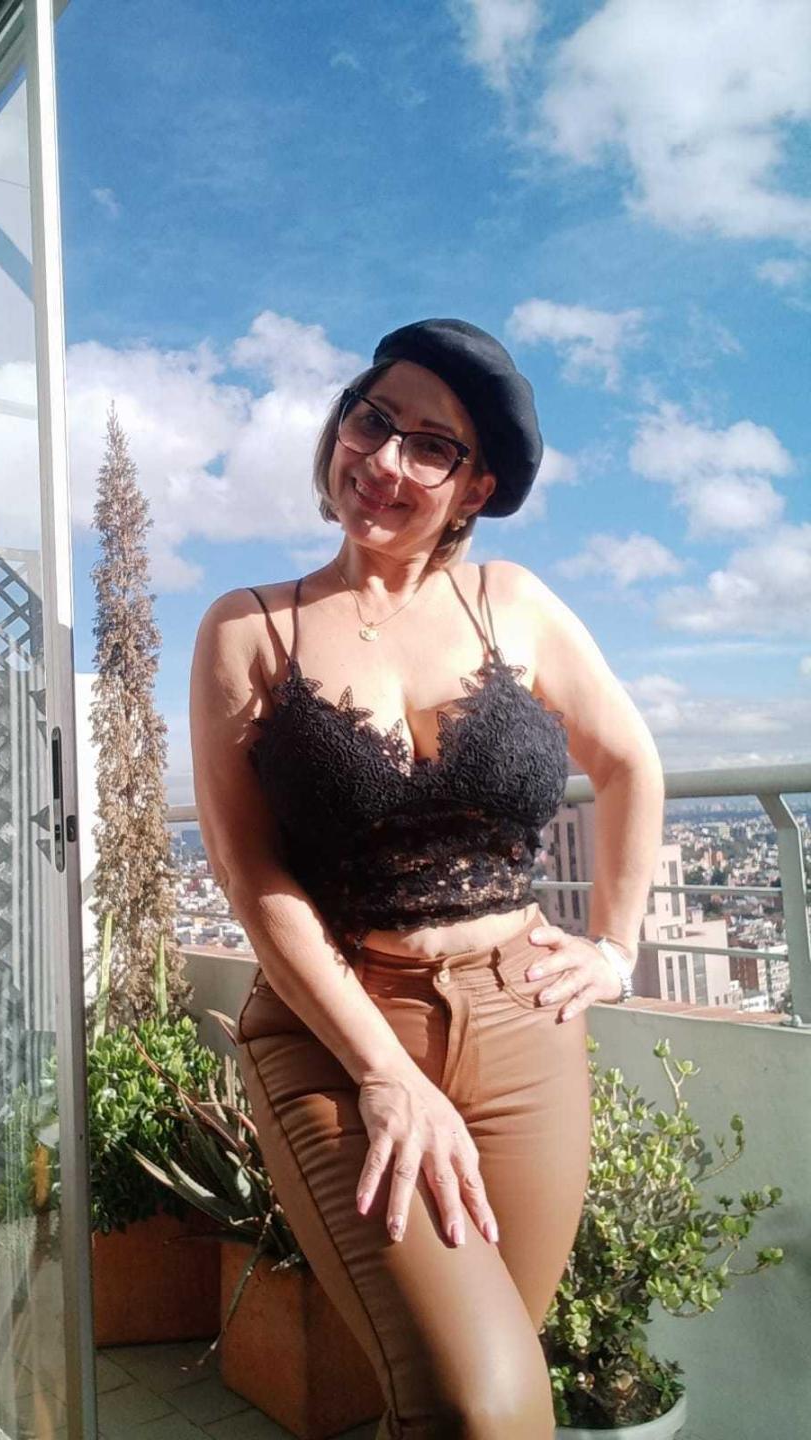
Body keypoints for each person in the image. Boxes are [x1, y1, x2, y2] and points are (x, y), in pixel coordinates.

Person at [189, 318, 664, 1439]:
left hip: (523, 1023)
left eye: (431, 446)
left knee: (492, 1388)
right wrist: (383, 1072)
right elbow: (252, 872)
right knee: (478, 1404)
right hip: (339, 1029)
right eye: (373, 420)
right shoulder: (250, 629)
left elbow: (630, 761)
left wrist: (615, 946)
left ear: (475, 487)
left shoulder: (513, 602)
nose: (385, 460)